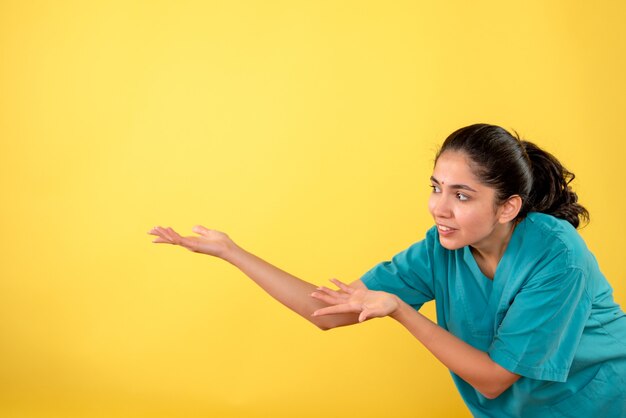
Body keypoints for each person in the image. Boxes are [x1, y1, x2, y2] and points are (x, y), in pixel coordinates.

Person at [148, 124, 626, 417]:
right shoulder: (439, 250)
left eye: (462, 195)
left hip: (605, 403)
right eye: (436, 187)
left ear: (508, 208)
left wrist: (400, 310)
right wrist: (231, 251)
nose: (440, 208)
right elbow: (328, 312)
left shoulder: (556, 252)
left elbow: (494, 378)